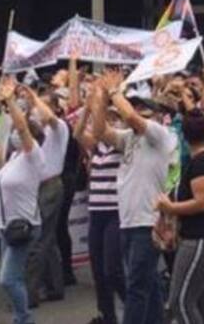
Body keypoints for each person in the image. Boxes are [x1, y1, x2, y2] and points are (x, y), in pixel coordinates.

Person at [91, 71, 178, 324]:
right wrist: (99, 100)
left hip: (147, 221)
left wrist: (115, 92)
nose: (137, 112)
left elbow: (130, 116)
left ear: (158, 115)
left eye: (144, 110)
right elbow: (99, 131)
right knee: (147, 283)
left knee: (136, 287)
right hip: (128, 219)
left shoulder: (162, 135)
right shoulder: (130, 138)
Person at [157, 110, 204, 324]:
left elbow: (202, 202)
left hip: (203, 236)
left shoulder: (203, 161)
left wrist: (170, 207)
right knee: (198, 301)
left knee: (180, 301)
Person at [0, 79, 45, 324]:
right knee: (14, 278)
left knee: (8, 279)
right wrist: (0, 162)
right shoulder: (15, 158)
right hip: (5, 227)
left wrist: (11, 100)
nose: (14, 133)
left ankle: (24, 319)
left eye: (18, 132)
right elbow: (8, 182)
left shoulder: (34, 155)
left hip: (22, 226)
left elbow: (22, 128)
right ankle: (18, 317)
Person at [73, 83, 125, 324]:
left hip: (115, 211)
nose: (109, 122)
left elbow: (103, 129)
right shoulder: (96, 147)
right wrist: (86, 107)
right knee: (98, 269)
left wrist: (102, 103)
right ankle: (107, 315)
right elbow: (77, 133)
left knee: (112, 268)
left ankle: (136, 306)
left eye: (114, 119)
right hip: (97, 211)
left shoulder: (121, 144)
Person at [20, 85, 68, 307]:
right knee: (47, 239)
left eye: (46, 105)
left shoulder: (60, 129)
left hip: (50, 185)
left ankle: (28, 295)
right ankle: (55, 286)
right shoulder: (37, 130)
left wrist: (35, 99)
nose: (40, 109)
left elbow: (49, 117)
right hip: (36, 185)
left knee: (38, 240)